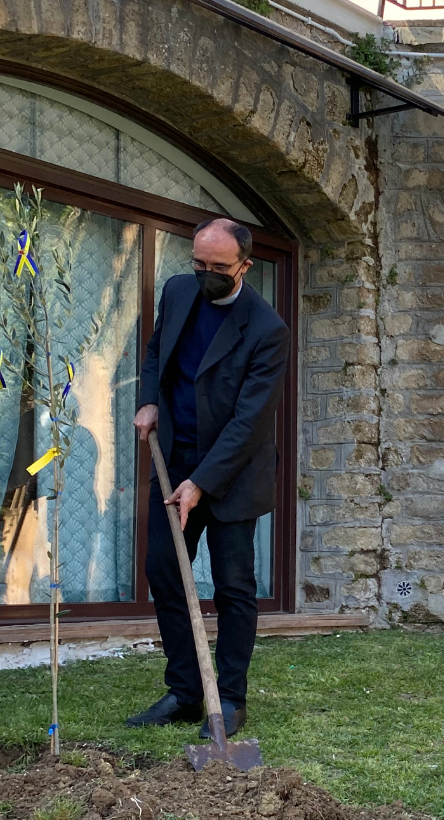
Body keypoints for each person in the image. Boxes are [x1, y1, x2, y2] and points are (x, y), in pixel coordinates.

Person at [126, 218, 289, 738]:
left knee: (234, 587)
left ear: (244, 265)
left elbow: (250, 422)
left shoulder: (267, 330)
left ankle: (232, 698)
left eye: (218, 267)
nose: (206, 274)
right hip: (173, 457)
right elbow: (156, 354)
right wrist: (149, 399)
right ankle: (187, 692)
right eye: (199, 263)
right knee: (164, 571)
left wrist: (201, 482)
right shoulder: (177, 291)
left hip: (234, 474)